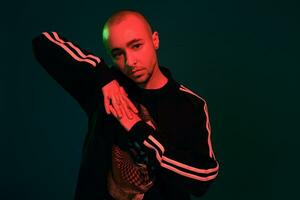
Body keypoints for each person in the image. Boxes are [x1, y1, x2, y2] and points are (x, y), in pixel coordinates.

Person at [32, 9, 219, 200]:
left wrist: (140, 131)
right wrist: (104, 78)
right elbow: (44, 42)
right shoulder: (104, 89)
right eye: (117, 54)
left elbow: (204, 178)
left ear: (155, 40)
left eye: (136, 46)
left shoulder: (190, 105)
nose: (130, 62)